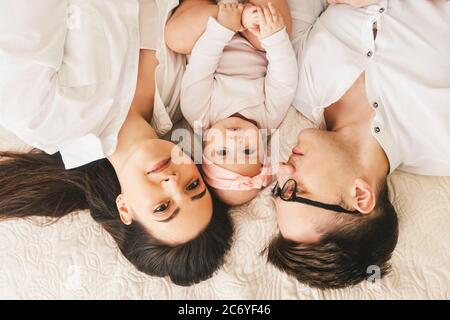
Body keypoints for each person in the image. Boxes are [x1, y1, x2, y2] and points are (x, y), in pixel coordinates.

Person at [0, 0, 233, 286]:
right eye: (193, 186)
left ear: (125, 209)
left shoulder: (45, 117)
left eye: (162, 208)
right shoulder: (186, 92)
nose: (173, 181)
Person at [268, 0, 450, 289]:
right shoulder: (442, 141)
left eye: (278, 188)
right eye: (294, 190)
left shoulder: (295, 81)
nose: (281, 169)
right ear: (360, 196)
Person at [168, 0, 297, 205]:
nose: (235, 141)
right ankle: (246, 13)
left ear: (204, 147)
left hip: (211, 31)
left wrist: (224, 27)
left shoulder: (198, 114)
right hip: (252, 37)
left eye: (222, 152)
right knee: (274, 30)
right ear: (264, 151)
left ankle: (232, 11)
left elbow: (202, 65)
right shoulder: (269, 118)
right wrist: (274, 39)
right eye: (247, 151)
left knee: (176, 37)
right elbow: (284, 80)